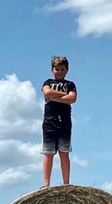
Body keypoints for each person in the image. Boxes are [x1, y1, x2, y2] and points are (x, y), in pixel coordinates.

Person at [41, 56, 77, 187]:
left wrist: (54, 98)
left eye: (62, 69)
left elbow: (72, 98)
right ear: (52, 70)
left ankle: (66, 183)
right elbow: (47, 92)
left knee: (64, 153)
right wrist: (63, 95)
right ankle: (46, 183)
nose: (59, 71)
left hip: (65, 123)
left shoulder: (70, 85)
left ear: (66, 70)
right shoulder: (48, 82)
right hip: (49, 122)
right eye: (57, 69)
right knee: (48, 153)